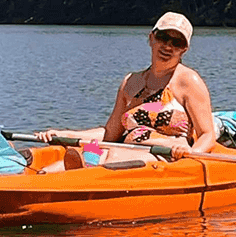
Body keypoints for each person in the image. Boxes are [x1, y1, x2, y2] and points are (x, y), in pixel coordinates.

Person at [37, 12, 217, 168]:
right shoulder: (131, 82)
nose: (168, 46)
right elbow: (110, 134)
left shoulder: (189, 81)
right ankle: (41, 181)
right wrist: (65, 134)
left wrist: (191, 152)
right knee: (62, 165)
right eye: (163, 37)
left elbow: (207, 134)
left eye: (177, 42)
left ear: (184, 49)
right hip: (125, 147)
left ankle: (84, 177)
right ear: (151, 38)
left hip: (162, 156)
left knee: (112, 158)